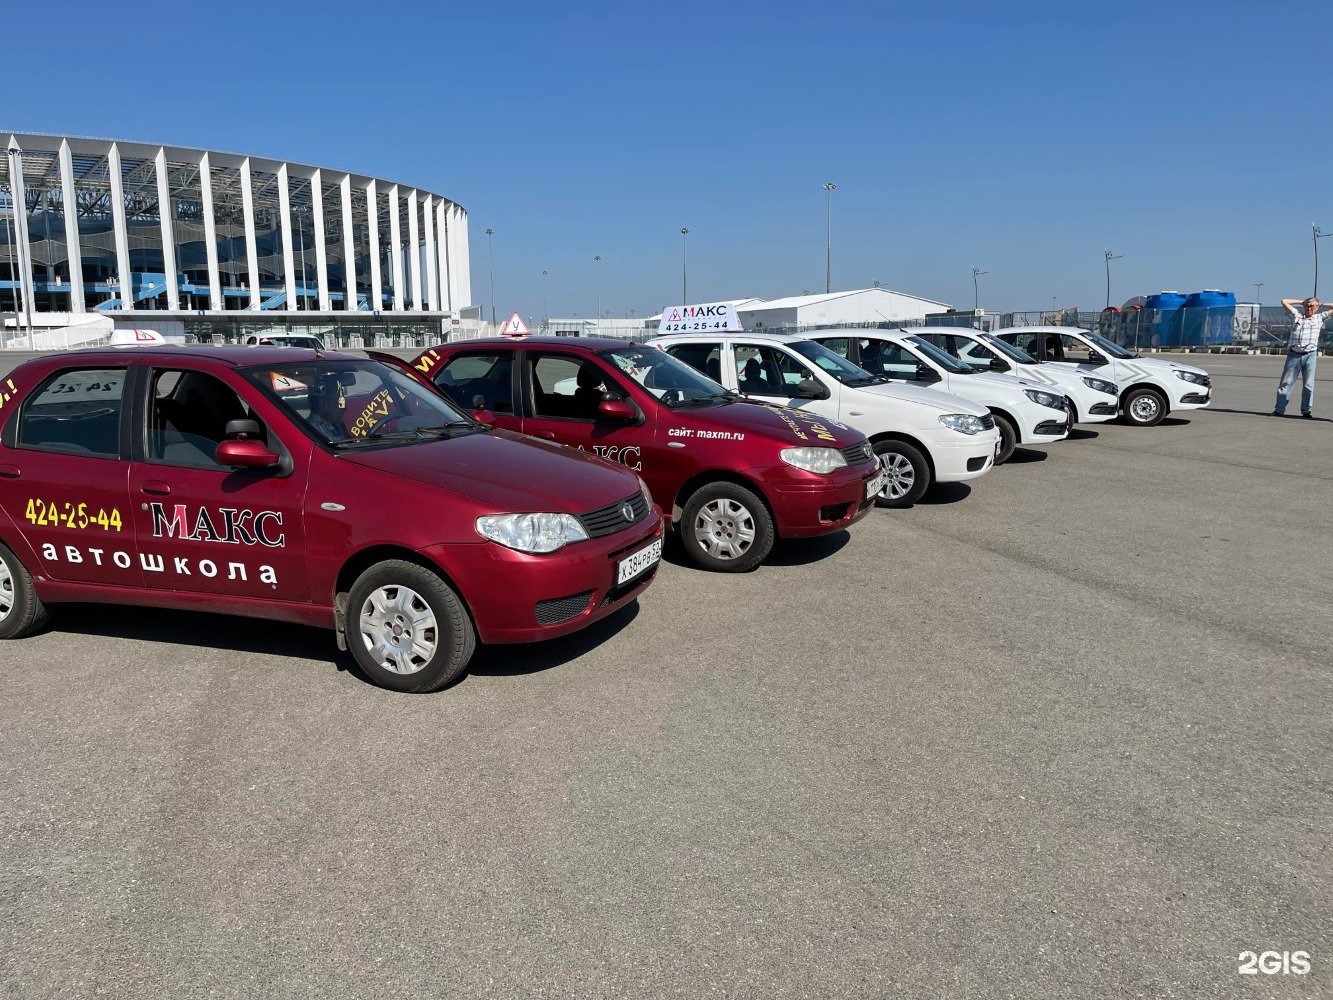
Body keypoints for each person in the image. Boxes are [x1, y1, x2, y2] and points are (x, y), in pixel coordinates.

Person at [1273, 297, 1330, 418]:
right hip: (1294, 354)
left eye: (1312, 306)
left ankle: (1306, 411)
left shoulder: (1319, 318)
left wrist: (1321, 304)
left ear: (1317, 307)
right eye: (1307, 306)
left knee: (1308, 385)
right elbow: (1284, 301)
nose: (1309, 308)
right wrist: (1301, 302)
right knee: (1286, 383)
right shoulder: (1297, 316)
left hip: (1310, 355)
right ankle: (1279, 409)